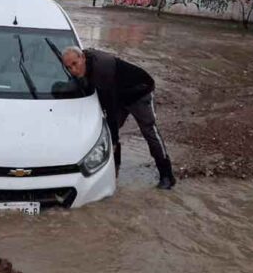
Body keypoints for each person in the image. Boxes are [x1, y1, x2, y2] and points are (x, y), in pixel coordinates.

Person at [60, 46, 176, 189]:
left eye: (75, 64)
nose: (73, 70)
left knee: (149, 132)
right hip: (119, 93)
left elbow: (109, 107)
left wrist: (114, 139)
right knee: (107, 132)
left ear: (82, 58)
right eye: (68, 67)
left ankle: (167, 175)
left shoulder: (101, 69)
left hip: (139, 91)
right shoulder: (85, 64)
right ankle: (115, 168)